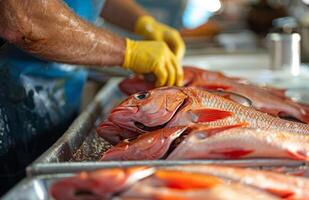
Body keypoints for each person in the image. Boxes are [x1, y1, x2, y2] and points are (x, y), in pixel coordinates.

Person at [0, 0, 185, 194]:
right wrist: (128, 52)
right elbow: (25, 16)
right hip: (8, 111)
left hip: (56, 100)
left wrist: (144, 22)